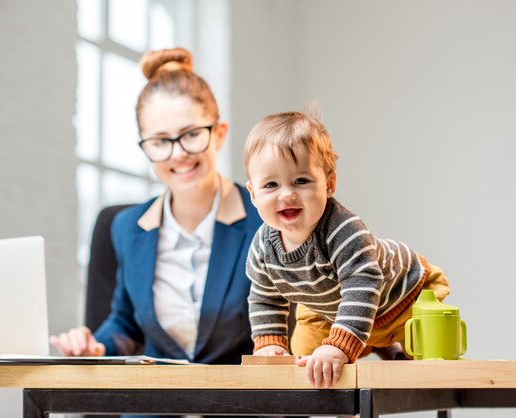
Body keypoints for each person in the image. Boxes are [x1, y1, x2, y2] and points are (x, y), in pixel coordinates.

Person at [50, 47, 262, 366]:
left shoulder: (264, 219)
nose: (178, 154)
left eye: (191, 134)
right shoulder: (127, 227)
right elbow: (126, 324)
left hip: (244, 402)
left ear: (219, 134)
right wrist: (96, 346)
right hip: (157, 403)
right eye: (160, 141)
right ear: (145, 146)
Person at [244, 111, 450, 388]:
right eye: (270, 185)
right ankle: (349, 391)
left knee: (427, 364)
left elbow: (362, 284)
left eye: (301, 181)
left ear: (329, 184)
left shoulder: (343, 230)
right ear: (253, 194)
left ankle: (387, 346)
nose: (287, 194)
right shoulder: (262, 248)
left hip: (402, 295)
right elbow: (264, 297)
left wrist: (339, 347)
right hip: (331, 307)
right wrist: (269, 343)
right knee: (305, 356)